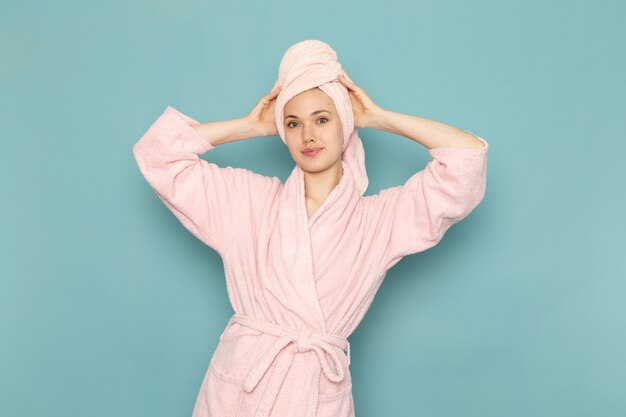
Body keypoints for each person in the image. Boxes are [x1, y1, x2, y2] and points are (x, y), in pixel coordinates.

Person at [133, 39, 488, 417]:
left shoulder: (379, 221)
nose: (308, 135)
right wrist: (250, 126)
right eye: (293, 123)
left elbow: (466, 162)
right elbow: (158, 154)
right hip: (240, 388)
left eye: (322, 119)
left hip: (316, 393)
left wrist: (376, 117)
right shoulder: (247, 202)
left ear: (344, 124)